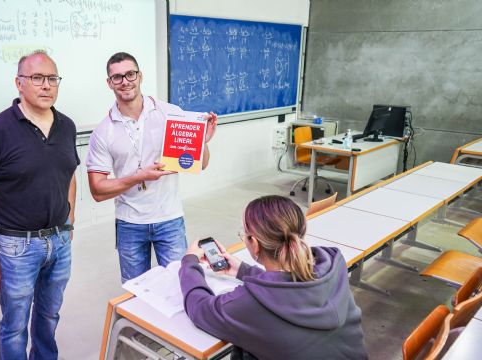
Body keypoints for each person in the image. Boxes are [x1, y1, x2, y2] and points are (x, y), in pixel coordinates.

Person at [0, 50, 79, 360]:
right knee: (14, 325)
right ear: (19, 83)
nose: (46, 86)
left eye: (52, 78)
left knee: (49, 316)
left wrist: (70, 223)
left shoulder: (66, 126)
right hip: (16, 246)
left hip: (59, 240)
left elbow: (69, 176)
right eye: (37, 78)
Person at [179, 195, 367, 360]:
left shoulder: (247, 302)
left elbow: (199, 308)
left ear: (255, 244)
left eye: (244, 234)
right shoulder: (333, 263)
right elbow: (291, 289)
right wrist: (243, 270)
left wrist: (190, 262)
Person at [86, 52, 218, 283]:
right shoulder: (103, 131)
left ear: (140, 76)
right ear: (109, 83)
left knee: (180, 286)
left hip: (170, 218)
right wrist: (138, 177)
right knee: (137, 291)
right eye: (117, 77)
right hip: (129, 223)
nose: (125, 81)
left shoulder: (171, 113)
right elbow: (97, 191)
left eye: (130, 74)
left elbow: (202, 163)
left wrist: (202, 143)